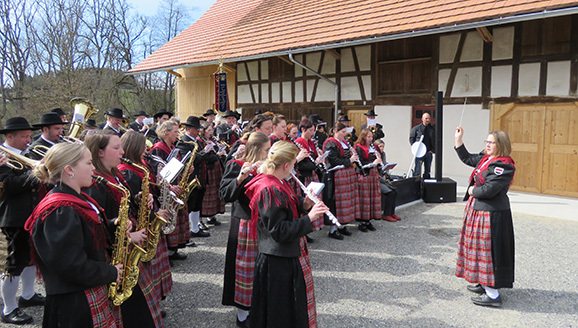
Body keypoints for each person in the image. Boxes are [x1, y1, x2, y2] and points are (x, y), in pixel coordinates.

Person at [25, 142, 122, 328]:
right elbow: (71, 265)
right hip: (75, 302)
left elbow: (84, 234)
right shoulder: (59, 210)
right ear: (69, 170)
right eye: (88, 163)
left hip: (85, 293)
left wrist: (113, 225)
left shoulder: (76, 198)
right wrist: (111, 272)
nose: (94, 168)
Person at [83, 130, 164, 327]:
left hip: (127, 245)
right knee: (132, 312)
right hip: (117, 253)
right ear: (100, 152)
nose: (122, 152)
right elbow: (97, 226)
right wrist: (129, 237)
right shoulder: (95, 182)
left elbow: (121, 205)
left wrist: (139, 200)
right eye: (116, 147)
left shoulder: (114, 174)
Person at [245, 140, 327, 328]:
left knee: (287, 308)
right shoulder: (269, 188)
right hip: (278, 260)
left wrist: (305, 205)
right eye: (293, 166)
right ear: (285, 165)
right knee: (280, 311)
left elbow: (286, 209)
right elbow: (279, 231)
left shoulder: (278, 182)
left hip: (283, 255)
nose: (293, 170)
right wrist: (310, 219)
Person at [454, 127, 516, 307]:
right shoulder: (486, 159)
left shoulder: (503, 165)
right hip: (479, 211)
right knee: (477, 250)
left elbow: (489, 190)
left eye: (491, 142)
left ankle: (493, 294)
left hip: (491, 214)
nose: (487, 145)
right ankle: (483, 282)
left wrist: (473, 190)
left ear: (501, 145)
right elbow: (466, 158)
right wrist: (458, 139)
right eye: (486, 142)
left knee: (487, 252)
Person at [219, 132, 270, 327]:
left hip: (263, 222)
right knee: (244, 269)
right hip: (245, 223)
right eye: (266, 150)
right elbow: (225, 194)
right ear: (256, 149)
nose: (269, 153)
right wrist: (240, 178)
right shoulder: (236, 164)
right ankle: (242, 314)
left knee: (261, 267)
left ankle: (258, 307)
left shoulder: (266, 165)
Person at [119, 131, 173, 309]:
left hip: (152, 214)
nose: (146, 150)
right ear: (134, 148)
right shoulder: (127, 172)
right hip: (144, 222)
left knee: (154, 266)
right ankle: (150, 302)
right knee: (148, 266)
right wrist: (154, 218)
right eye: (143, 147)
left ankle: (156, 298)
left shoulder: (140, 165)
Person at [0, 117, 45, 325]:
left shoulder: (26, 154)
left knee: (30, 258)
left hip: (30, 215)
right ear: (10, 136)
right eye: (25, 136)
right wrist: (37, 172)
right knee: (14, 264)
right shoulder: (2, 157)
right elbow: (9, 185)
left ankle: (27, 295)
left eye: (29, 135)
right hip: (13, 218)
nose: (29, 140)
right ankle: (8, 308)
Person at [149, 121, 191, 258]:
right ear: (166, 132)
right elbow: (157, 172)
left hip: (174, 186)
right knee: (167, 218)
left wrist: (186, 169)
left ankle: (174, 249)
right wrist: (170, 187)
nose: (177, 134)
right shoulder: (158, 148)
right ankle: (168, 251)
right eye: (175, 132)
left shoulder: (172, 147)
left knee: (175, 217)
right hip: (165, 189)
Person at [322, 122, 360, 240]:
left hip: (346, 174)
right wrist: (350, 160)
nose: (345, 135)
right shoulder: (330, 142)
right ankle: (333, 229)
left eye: (346, 132)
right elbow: (333, 160)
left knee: (347, 200)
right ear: (336, 131)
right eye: (343, 132)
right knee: (336, 201)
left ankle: (342, 225)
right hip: (335, 175)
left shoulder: (343, 142)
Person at [175, 116, 211, 238]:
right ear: (189, 129)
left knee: (197, 204)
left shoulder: (196, 141)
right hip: (191, 178)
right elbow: (190, 161)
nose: (198, 131)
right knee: (190, 205)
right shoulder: (183, 142)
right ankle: (189, 230)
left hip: (200, 178)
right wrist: (204, 152)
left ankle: (195, 229)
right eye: (196, 129)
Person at [198, 122, 227, 226]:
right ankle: (200, 220)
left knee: (215, 192)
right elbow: (205, 158)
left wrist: (221, 150)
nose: (211, 133)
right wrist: (218, 155)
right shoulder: (200, 141)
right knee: (207, 195)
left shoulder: (212, 140)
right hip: (208, 169)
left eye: (212, 130)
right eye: (209, 130)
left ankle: (212, 216)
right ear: (203, 131)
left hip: (216, 169)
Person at [354, 129, 381, 232]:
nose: (371, 139)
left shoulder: (372, 147)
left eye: (371, 137)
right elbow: (360, 162)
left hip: (373, 174)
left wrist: (378, 159)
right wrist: (373, 162)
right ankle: (362, 222)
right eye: (368, 137)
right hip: (364, 174)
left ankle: (368, 220)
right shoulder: (358, 147)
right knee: (364, 198)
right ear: (363, 137)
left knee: (371, 197)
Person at [373, 139, 401, 222]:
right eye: (380, 146)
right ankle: (386, 214)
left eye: (383, 147)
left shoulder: (383, 154)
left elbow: (384, 166)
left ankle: (392, 212)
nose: (382, 149)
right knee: (390, 193)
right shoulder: (373, 155)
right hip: (377, 179)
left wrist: (386, 173)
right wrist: (383, 179)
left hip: (382, 177)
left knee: (395, 191)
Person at [409, 112, 435, 179]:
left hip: (428, 152)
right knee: (417, 170)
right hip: (419, 153)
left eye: (429, 118)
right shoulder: (416, 128)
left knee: (427, 171)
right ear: (422, 119)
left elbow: (436, 140)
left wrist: (433, 150)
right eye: (426, 118)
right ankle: (415, 185)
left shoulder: (432, 129)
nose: (427, 120)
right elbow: (411, 139)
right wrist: (415, 149)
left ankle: (426, 185)